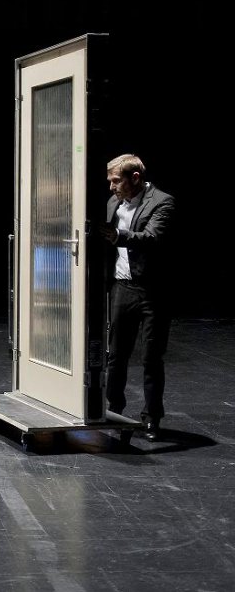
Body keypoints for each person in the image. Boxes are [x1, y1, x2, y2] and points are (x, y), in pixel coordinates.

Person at [99, 153, 176, 442]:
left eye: (116, 180)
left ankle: (151, 418)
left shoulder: (162, 201)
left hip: (152, 291)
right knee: (116, 355)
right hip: (121, 288)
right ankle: (113, 409)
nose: (111, 187)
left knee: (151, 357)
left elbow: (153, 239)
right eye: (109, 181)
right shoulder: (113, 202)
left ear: (135, 178)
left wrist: (117, 236)